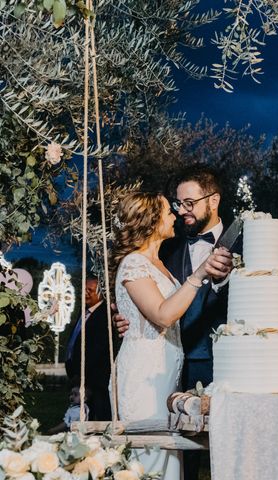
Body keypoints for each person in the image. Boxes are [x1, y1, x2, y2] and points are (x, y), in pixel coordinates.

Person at [115, 167, 234, 480]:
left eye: (187, 204)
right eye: (175, 207)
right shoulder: (164, 252)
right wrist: (127, 320)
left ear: (213, 200)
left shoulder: (246, 242)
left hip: (225, 366)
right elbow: (158, 308)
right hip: (158, 377)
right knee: (159, 460)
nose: (180, 212)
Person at [65, 277, 112, 421]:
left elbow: (98, 348)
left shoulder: (105, 314)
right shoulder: (84, 311)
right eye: (83, 289)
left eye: (90, 290)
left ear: (101, 294)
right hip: (78, 374)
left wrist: (82, 374)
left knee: (96, 415)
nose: (85, 293)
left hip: (95, 378)